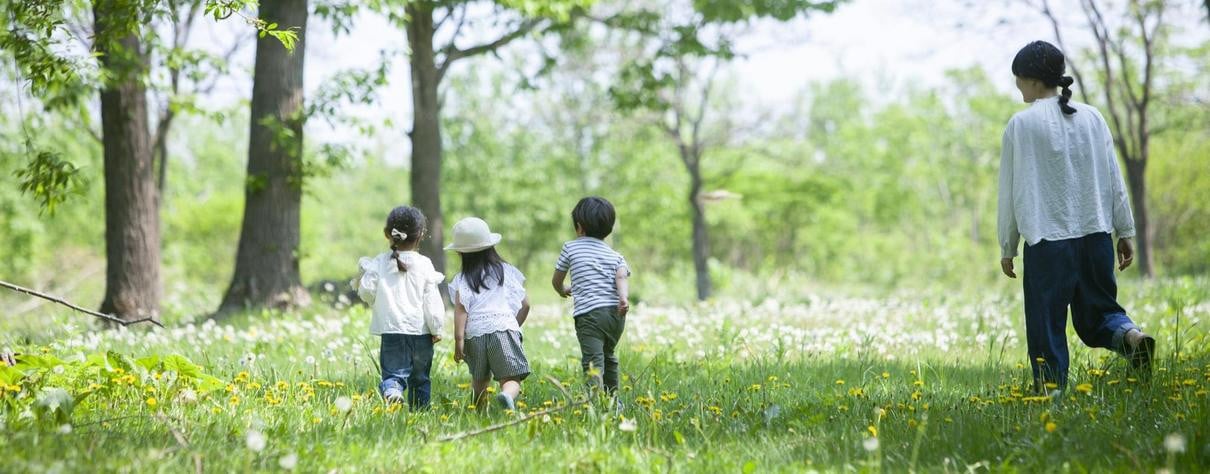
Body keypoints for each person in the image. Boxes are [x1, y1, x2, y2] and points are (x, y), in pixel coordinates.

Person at [998, 40, 1155, 392]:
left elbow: (1010, 192)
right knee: (1099, 312)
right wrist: (1124, 230)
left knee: (1047, 324)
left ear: (1031, 80)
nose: (1017, 86)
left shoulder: (1020, 126)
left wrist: (1007, 246)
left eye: (1018, 79)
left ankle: (1051, 396)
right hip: (1095, 236)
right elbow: (1113, 177)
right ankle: (1131, 338)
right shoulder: (1093, 117)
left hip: (1047, 242)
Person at [353, 206, 445, 408]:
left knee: (393, 373)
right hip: (421, 332)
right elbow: (432, 300)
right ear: (421, 234)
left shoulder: (379, 262)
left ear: (387, 234)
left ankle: (393, 390)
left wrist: (363, 285)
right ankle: (419, 413)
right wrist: (436, 328)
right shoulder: (424, 264)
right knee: (420, 378)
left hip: (392, 330)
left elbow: (367, 291)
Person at [446, 217, 532, 411]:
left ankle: (478, 411)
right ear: (490, 246)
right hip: (504, 329)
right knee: (511, 378)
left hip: (475, 334)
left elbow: (461, 311)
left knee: (480, 379)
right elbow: (525, 305)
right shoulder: (506, 271)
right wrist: (512, 327)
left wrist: (458, 341)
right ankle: (506, 395)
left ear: (460, 252)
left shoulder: (462, 279)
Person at [551, 197, 631, 401]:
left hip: (590, 315)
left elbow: (557, 278)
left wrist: (561, 289)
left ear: (579, 227)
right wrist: (623, 298)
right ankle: (613, 400)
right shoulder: (615, 255)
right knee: (608, 356)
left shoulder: (571, 248)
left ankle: (594, 403)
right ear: (609, 229)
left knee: (593, 361)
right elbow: (621, 275)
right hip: (615, 315)